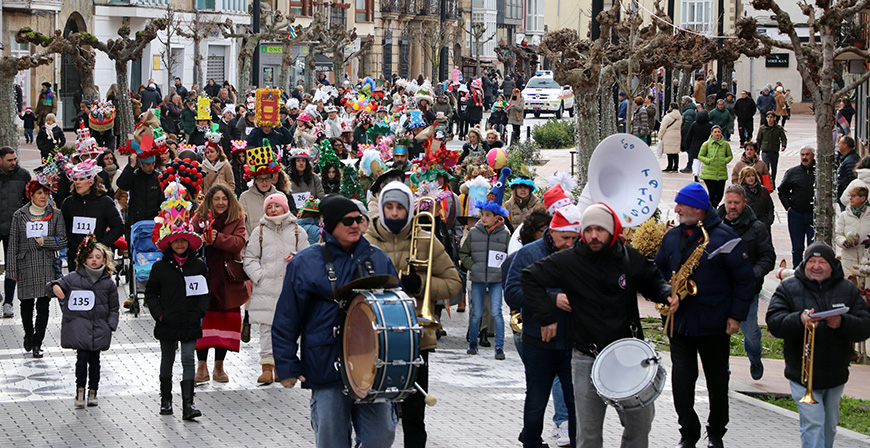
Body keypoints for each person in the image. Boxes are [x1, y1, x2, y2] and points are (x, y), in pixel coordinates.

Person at [523, 203, 673, 448]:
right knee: (588, 435)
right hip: (586, 356)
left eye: (600, 230)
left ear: (612, 230)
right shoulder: (569, 260)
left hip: (629, 356)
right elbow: (529, 277)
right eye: (589, 229)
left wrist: (666, 293)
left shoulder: (628, 257)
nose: (594, 235)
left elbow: (652, 281)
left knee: (640, 425)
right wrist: (547, 314)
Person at [272, 194, 399, 447]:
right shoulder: (305, 262)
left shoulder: (378, 258)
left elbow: (396, 311)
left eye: (358, 220)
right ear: (330, 226)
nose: (355, 225)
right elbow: (287, 318)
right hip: (325, 363)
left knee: (381, 436)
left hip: (372, 364)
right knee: (331, 440)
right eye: (346, 221)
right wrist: (287, 366)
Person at [655, 183, 754, 448]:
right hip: (680, 322)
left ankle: (717, 431)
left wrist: (736, 316)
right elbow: (659, 270)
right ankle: (688, 432)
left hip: (714, 323)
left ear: (698, 209)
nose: (675, 210)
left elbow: (745, 281)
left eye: (681, 205)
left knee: (717, 381)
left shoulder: (726, 238)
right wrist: (666, 293)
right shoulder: (672, 236)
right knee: (682, 381)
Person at [365, 182, 462, 447]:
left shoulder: (427, 240)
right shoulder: (366, 240)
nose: (394, 213)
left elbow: (454, 283)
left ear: (409, 209)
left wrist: (420, 285)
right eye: (389, 207)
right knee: (372, 408)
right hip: (373, 332)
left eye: (399, 207)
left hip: (417, 334)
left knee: (414, 411)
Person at [766, 242, 870, 448]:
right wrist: (799, 320)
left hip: (835, 372)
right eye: (811, 261)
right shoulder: (788, 287)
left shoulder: (848, 289)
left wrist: (842, 322)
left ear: (832, 265)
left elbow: (865, 326)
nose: (816, 266)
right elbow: (774, 323)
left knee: (829, 426)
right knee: (813, 424)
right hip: (801, 373)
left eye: (822, 262)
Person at [505, 206, 579, 448]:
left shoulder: (579, 253)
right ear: (552, 231)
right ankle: (532, 443)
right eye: (564, 238)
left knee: (575, 402)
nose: (569, 243)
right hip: (538, 340)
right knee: (536, 400)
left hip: (573, 340)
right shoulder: (529, 253)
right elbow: (512, 292)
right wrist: (552, 298)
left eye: (574, 238)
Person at [145, 186, 209, 420]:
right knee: (168, 360)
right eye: (176, 241)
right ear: (169, 243)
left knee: (188, 359)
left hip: (191, 319)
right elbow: (150, 293)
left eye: (184, 240)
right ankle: (165, 400)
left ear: (189, 242)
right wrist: (159, 314)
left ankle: (188, 404)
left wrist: (200, 311)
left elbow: (204, 292)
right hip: (168, 320)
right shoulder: (160, 267)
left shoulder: (198, 265)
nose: (180, 244)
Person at [243, 193, 310, 384]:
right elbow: (250, 259)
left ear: (285, 207)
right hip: (266, 288)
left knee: (289, 329)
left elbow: (307, 257)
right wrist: (259, 276)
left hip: (289, 288)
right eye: (269, 207)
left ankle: (284, 366)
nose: (273, 210)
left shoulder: (298, 231)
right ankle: (267, 367)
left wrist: (295, 258)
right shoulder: (260, 232)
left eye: (276, 206)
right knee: (266, 329)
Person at [191, 184, 250, 384]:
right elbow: (191, 241)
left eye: (224, 199)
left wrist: (216, 239)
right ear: (210, 200)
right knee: (203, 323)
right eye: (216, 199)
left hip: (227, 279)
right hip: (204, 277)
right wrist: (202, 239)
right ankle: (201, 366)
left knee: (224, 324)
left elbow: (238, 242)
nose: (220, 203)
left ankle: (219, 366)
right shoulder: (199, 218)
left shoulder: (237, 218)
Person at [50, 238, 118, 409]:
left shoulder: (108, 283)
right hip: (79, 327)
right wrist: (54, 286)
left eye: (98, 257)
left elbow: (114, 307)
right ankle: (80, 389)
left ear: (104, 260)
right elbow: (57, 285)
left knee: (95, 361)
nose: (94, 260)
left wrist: (110, 325)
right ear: (83, 259)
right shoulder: (73, 278)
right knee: (82, 359)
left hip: (99, 328)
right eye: (90, 257)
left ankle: (93, 390)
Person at [717, 185, 776, 380]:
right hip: (721, 290)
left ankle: (755, 357)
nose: (732, 207)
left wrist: (750, 275)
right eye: (729, 202)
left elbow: (768, 257)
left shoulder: (757, 227)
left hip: (747, 291)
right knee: (720, 332)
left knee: (750, 331)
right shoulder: (715, 225)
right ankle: (722, 370)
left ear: (744, 203)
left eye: (736, 203)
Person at [8, 173, 67, 358]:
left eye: (46, 193)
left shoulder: (55, 214)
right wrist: (12, 270)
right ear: (31, 195)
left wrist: (45, 241)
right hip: (25, 264)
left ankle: (37, 343)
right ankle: (28, 333)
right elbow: (13, 244)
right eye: (39, 193)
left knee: (44, 306)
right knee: (26, 306)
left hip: (46, 265)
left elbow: (63, 240)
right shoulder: (20, 215)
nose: (43, 196)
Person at [459, 169, 511, 359]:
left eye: (487, 215)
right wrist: (473, 266)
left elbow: (509, 254)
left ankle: (499, 347)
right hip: (479, 277)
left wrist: (503, 271)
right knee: (476, 313)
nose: (483, 218)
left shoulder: (505, 234)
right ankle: (473, 343)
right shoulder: (474, 232)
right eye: (482, 214)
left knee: (497, 312)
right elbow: (463, 253)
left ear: (497, 217)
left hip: (496, 279)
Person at [61, 159, 124, 271]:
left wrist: (101, 245)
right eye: (75, 179)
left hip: (98, 259)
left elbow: (118, 227)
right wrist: (73, 244)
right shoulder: (68, 203)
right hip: (75, 258)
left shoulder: (104, 202)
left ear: (91, 181)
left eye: (81, 179)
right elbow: (63, 228)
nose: (77, 183)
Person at [0, 147, 31, 318]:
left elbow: (28, 202)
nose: (13, 163)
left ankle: (9, 303)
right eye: (9, 160)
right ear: (0, 160)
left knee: (12, 267)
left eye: (15, 159)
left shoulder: (23, 175)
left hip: (14, 228)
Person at [779, 146, 817, 268]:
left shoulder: (820, 172)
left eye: (807, 154)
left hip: (813, 215)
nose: (805, 157)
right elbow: (782, 191)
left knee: (813, 247)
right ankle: (797, 271)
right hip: (796, 215)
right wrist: (788, 206)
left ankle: (811, 271)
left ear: (813, 156)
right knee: (797, 247)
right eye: (802, 155)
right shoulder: (792, 172)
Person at [835, 185, 870, 275]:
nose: (850, 199)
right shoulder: (844, 216)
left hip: (867, 261)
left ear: (863, 198)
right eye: (849, 196)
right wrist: (844, 242)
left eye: (853, 196)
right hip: (848, 260)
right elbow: (838, 234)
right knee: (850, 286)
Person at [697, 125, 732, 208]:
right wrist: (708, 161)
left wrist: (724, 161)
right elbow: (700, 156)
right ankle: (712, 209)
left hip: (721, 173)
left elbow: (730, 156)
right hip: (709, 173)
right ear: (711, 133)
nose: (717, 133)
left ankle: (713, 208)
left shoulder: (725, 145)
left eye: (718, 132)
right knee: (712, 193)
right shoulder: (706, 144)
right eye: (715, 132)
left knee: (720, 194)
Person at [756, 111, 787, 187]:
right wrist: (757, 151)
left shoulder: (778, 128)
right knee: (766, 168)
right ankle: (766, 183)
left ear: (774, 118)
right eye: (768, 117)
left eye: (771, 117)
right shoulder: (762, 128)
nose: (769, 119)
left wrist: (783, 145)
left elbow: (783, 138)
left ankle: (772, 182)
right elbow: (759, 140)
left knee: (774, 168)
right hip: (765, 150)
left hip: (774, 150)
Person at [837, 135, 859, 212]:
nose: (838, 146)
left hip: (847, 196)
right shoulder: (847, 158)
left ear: (845, 145)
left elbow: (853, 179)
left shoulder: (850, 161)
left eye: (840, 143)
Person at [659, 102, 683, 172]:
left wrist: (660, 136)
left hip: (668, 135)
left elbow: (663, 128)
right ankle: (675, 167)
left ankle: (669, 166)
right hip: (677, 134)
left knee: (669, 152)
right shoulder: (679, 116)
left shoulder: (668, 117)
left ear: (671, 108)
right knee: (675, 152)